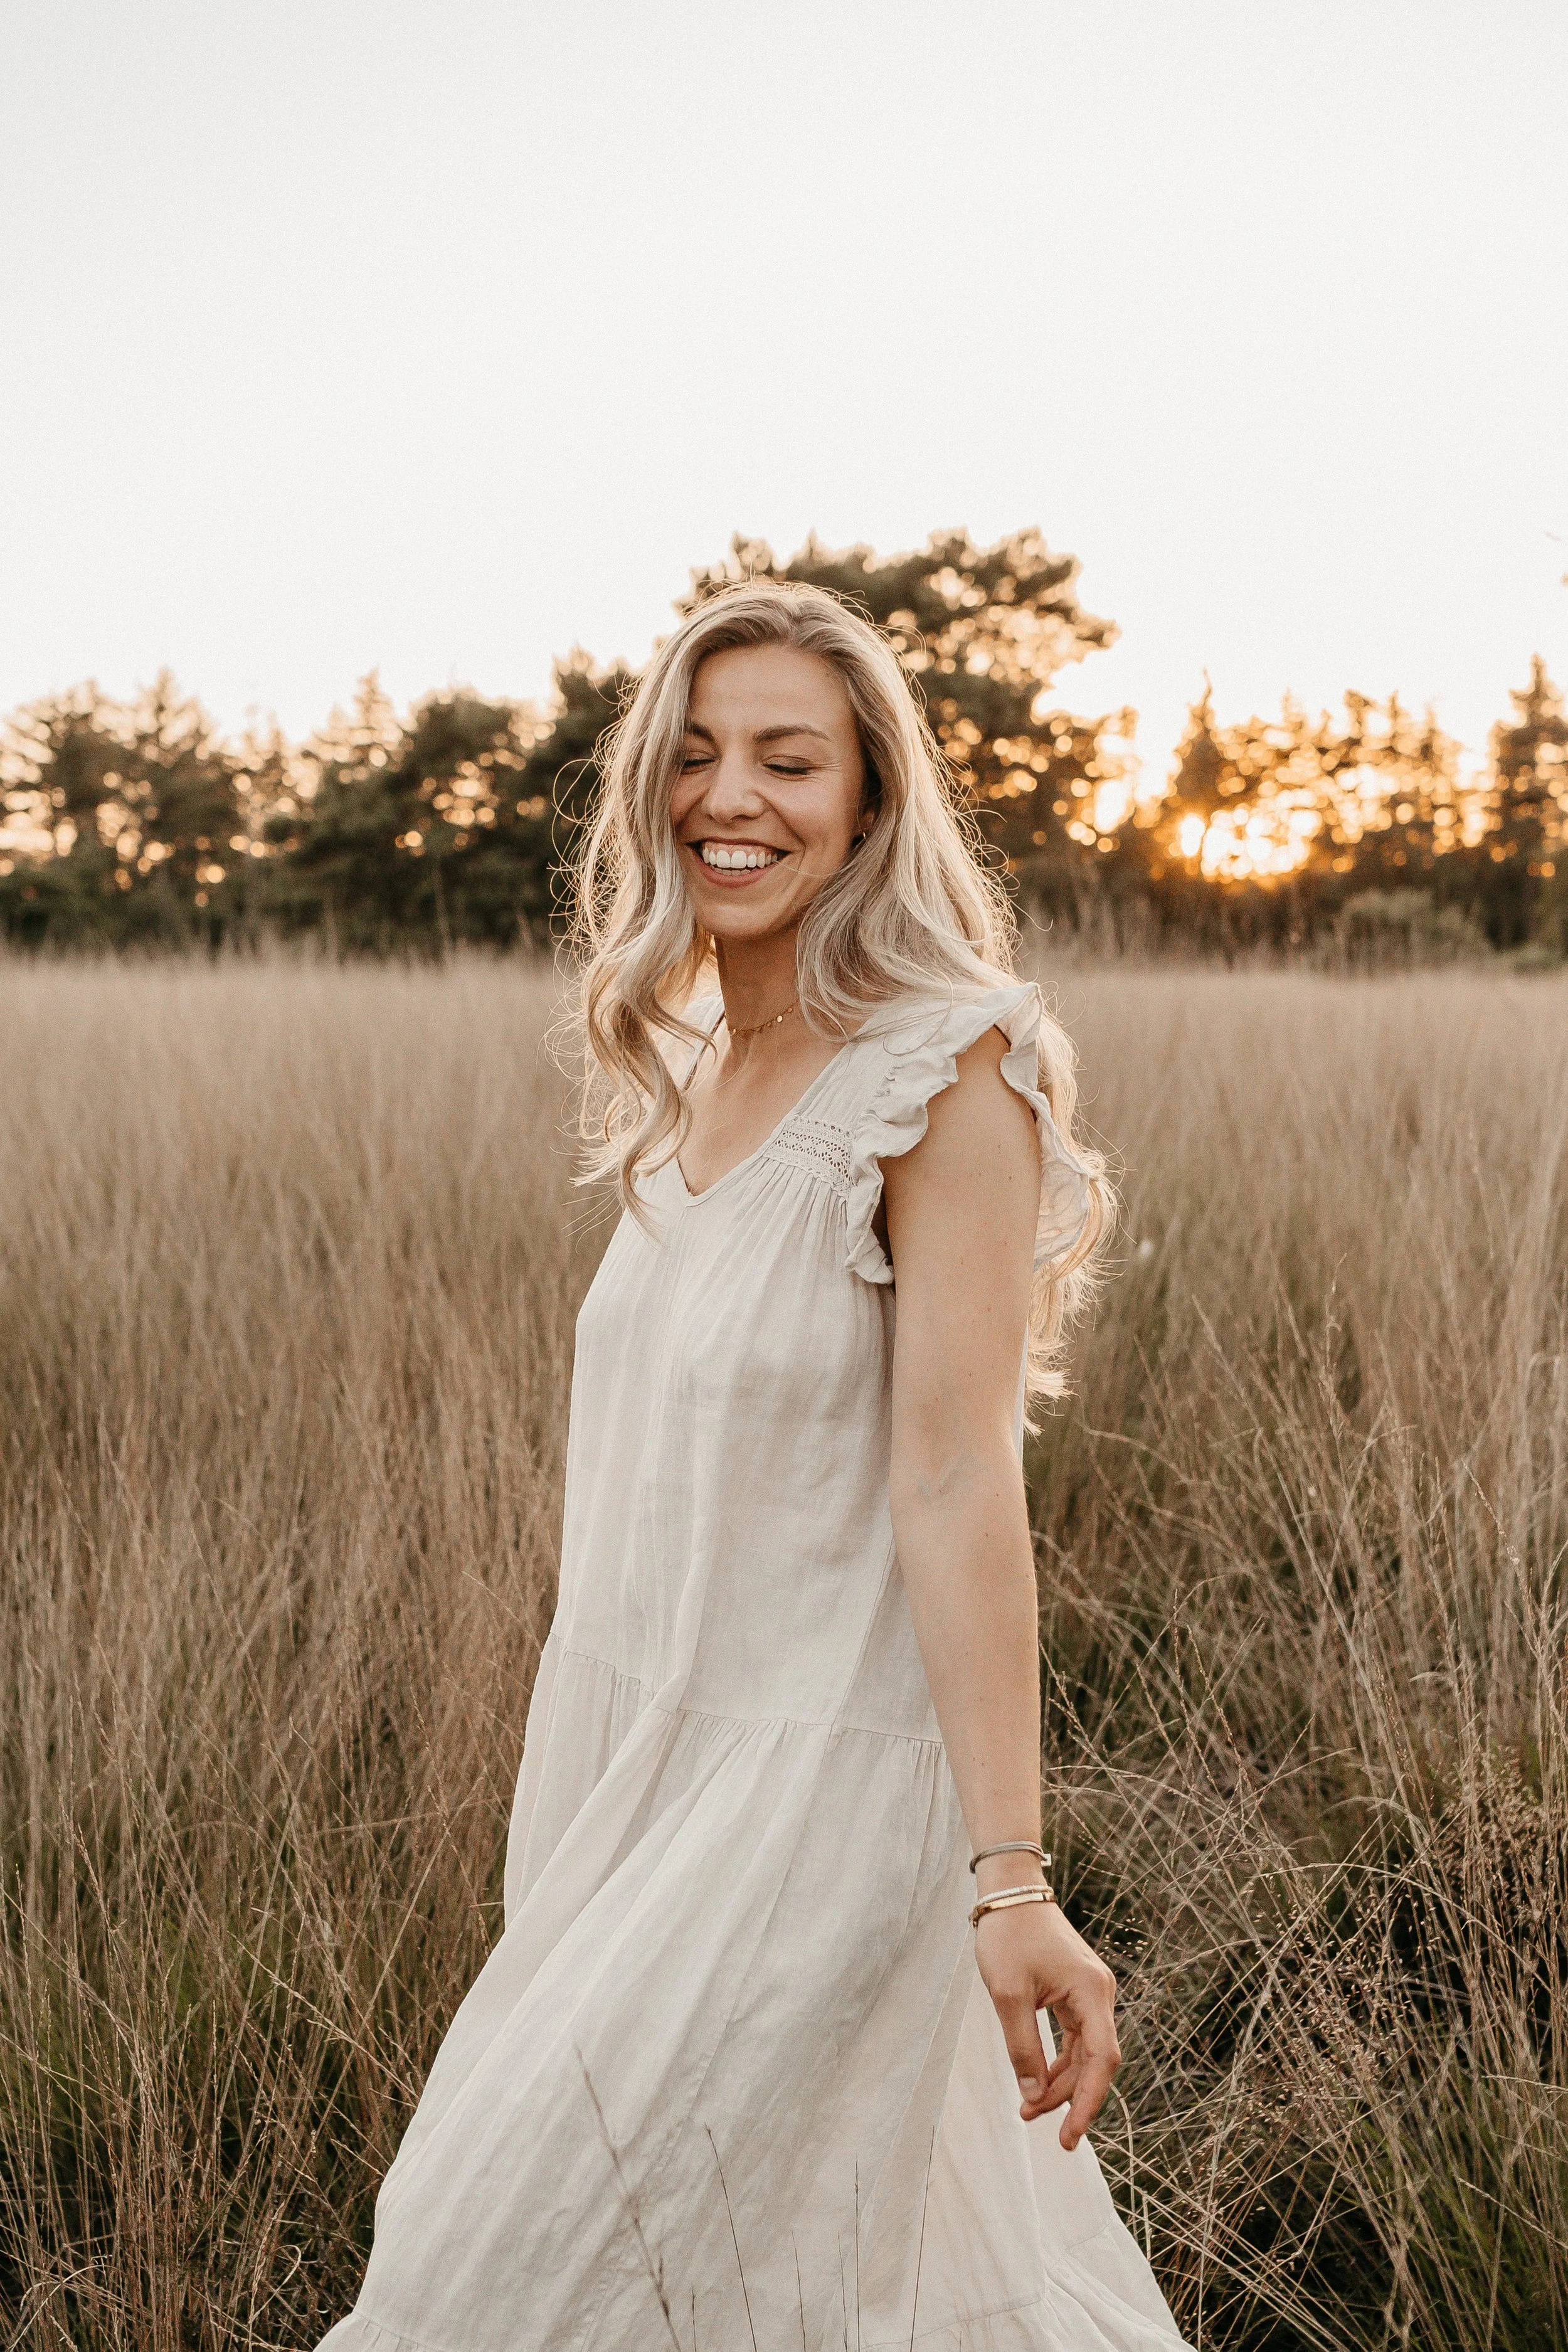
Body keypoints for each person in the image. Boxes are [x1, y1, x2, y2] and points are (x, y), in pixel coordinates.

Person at [318, 583, 1188, 2350]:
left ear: (870, 799)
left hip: (817, 1801)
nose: (736, 795)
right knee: (790, 2281)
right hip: (626, 1773)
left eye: (791, 757)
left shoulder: (947, 1071)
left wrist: (1008, 1875)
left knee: (488, 2274)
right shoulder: (692, 1062)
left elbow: (956, 1479)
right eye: (695, 755)